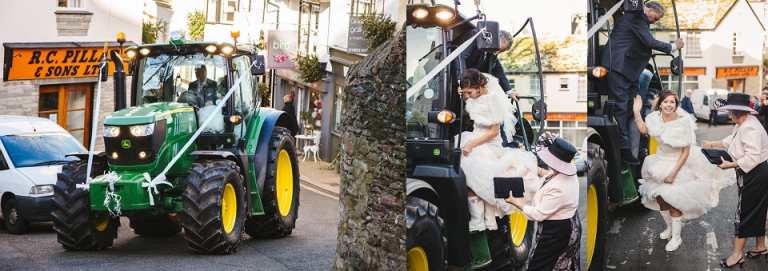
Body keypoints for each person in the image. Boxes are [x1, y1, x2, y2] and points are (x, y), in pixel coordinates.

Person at [457, 69, 541, 269]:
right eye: (464, 93)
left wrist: (472, 145)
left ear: (479, 87)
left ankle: (478, 222)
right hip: (475, 137)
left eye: (469, 92)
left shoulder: (493, 99)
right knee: (460, 163)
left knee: (470, 169)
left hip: (488, 143)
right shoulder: (473, 96)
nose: (466, 96)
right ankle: (479, 221)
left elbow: (494, 131)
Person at [631, 90, 735, 252]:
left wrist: (673, 174)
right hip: (658, 162)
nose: (669, 105)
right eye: (666, 102)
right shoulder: (654, 118)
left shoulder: (683, 122)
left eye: (672, 102)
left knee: (674, 201)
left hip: (677, 164)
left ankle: (677, 237)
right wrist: (637, 112)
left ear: (676, 105)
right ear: (660, 104)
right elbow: (644, 129)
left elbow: (686, 152)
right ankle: (669, 228)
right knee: (660, 198)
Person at [600, 1, 684, 165]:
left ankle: (631, 140)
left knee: (634, 101)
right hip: (618, 66)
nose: (654, 22)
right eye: (655, 18)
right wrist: (674, 46)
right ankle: (623, 147)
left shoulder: (636, 19)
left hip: (627, 70)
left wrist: (647, 50)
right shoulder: (637, 16)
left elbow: (636, 41)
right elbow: (650, 41)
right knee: (620, 105)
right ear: (650, 10)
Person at [700, 92, 768, 268]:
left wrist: (730, 165)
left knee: (744, 212)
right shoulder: (744, 123)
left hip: (755, 174)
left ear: (738, 111)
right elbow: (731, 140)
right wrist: (711, 144)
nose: (728, 113)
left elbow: (752, 158)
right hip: (757, 172)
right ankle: (761, 247)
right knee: (757, 210)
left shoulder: (750, 127)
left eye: (730, 110)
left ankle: (737, 255)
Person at [504, 135, 580, 270]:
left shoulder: (558, 188)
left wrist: (515, 202)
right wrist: (537, 170)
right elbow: (550, 174)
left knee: (538, 266)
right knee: (562, 265)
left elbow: (538, 214)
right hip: (569, 222)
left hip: (557, 231)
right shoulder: (566, 170)